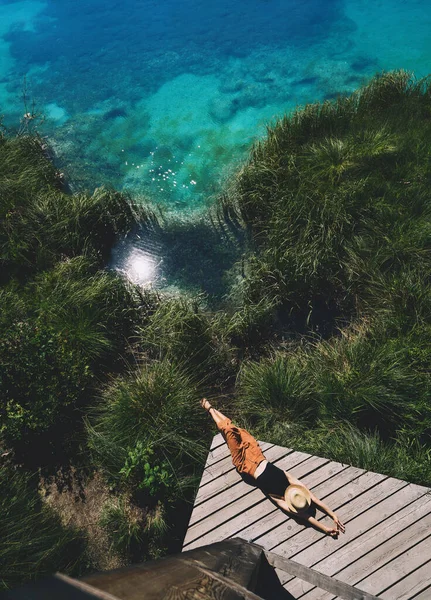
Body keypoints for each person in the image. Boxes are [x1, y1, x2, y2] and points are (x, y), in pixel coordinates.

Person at [201, 399, 345, 538]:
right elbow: (316, 500)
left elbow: (307, 518)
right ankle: (211, 408)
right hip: (257, 455)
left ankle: (208, 408)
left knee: (228, 431)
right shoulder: (293, 485)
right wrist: (333, 515)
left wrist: (325, 529)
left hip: (245, 465)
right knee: (237, 430)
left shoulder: (281, 500)